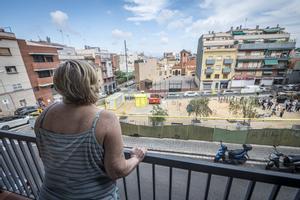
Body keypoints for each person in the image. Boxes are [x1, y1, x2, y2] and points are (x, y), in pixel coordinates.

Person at [34, 60, 146, 200]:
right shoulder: (106, 119)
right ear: (91, 83)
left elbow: (45, 155)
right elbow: (117, 170)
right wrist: (137, 157)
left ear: (59, 85)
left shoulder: (43, 116)